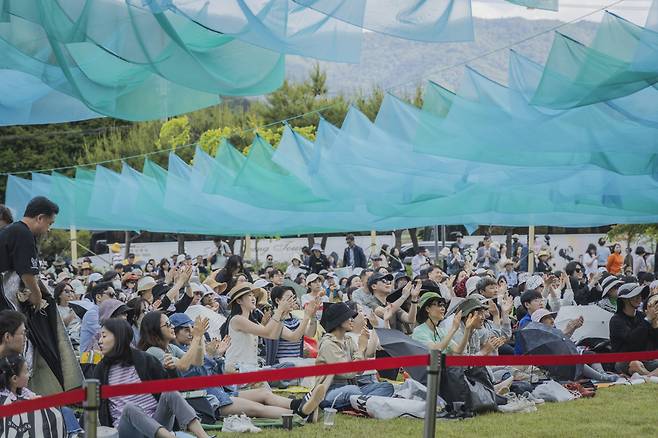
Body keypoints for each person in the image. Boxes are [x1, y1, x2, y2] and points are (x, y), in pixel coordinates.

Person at [95, 319, 211, 437]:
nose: (100, 341)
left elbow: (175, 388)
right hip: (128, 430)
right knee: (130, 408)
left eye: (104, 336)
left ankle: (203, 436)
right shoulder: (101, 370)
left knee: (170, 393)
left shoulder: (145, 360)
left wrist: (171, 371)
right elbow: (94, 405)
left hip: (157, 423)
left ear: (119, 337)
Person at [316, 302, 394, 410]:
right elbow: (347, 373)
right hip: (330, 391)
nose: (351, 320)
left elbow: (360, 370)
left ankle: (359, 403)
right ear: (339, 320)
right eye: (348, 317)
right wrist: (361, 348)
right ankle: (361, 403)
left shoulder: (348, 340)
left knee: (387, 387)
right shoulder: (328, 344)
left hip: (353, 387)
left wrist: (364, 347)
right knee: (353, 390)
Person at [0, 196, 58, 310]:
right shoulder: (23, 234)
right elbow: (27, 274)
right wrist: (37, 296)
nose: (49, 229)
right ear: (40, 218)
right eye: (50, 223)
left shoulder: (13, 230)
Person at [609, 283, 658, 377]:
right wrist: (648, 320)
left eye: (640, 295)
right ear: (624, 299)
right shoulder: (616, 320)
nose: (639, 298)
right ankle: (650, 377)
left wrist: (654, 323)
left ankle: (647, 377)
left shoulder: (642, 316)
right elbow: (632, 340)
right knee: (635, 365)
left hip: (646, 360)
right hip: (624, 360)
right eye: (635, 295)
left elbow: (654, 341)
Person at [265, 286, 318, 365]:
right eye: (289, 298)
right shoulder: (274, 320)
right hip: (281, 364)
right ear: (277, 300)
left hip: (296, 361)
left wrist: (313, 316)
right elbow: (294, 337)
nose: (293, 301)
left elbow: (310, 334)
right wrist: (306, 317)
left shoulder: (294, 318)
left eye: (293, 298)